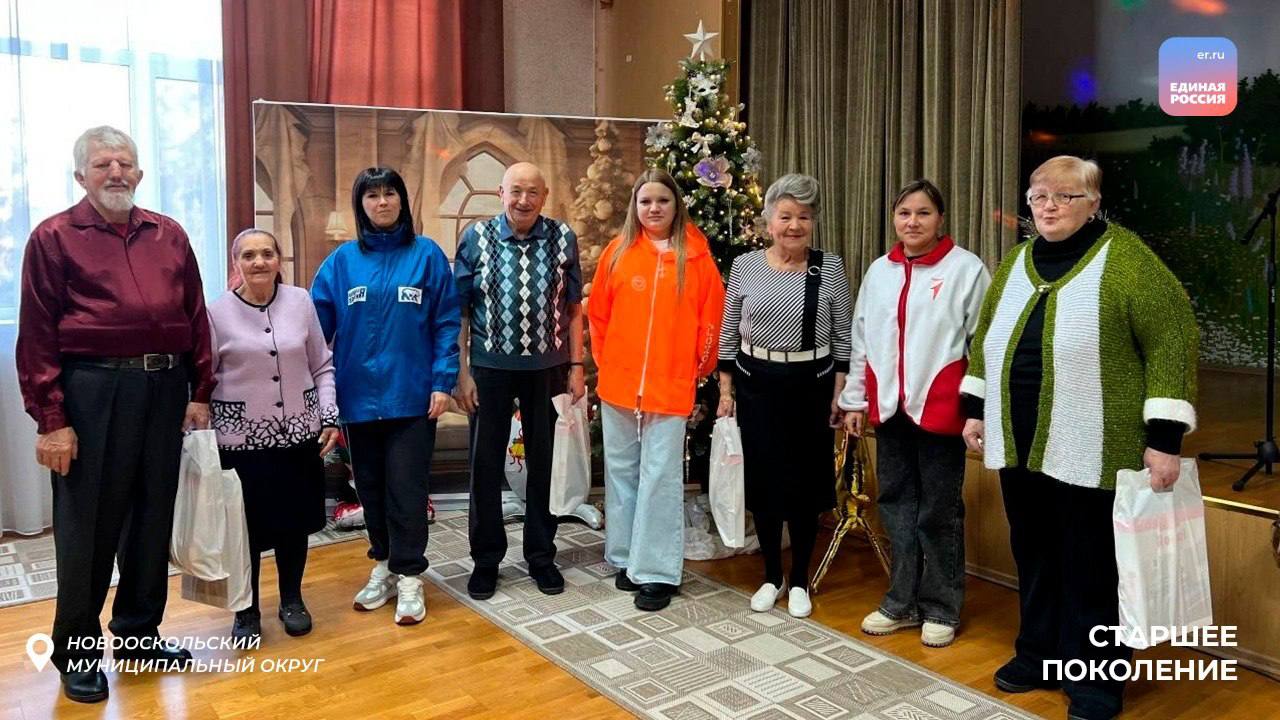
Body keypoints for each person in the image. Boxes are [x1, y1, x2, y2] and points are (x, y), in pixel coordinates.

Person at [961, 156, 1197, 720]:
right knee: (1034, 551)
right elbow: (987, 336)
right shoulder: (1017, 261)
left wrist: (1165, 437)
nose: (1048, 207)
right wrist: (975, 408)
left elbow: (1172, 339)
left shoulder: (1128, 261)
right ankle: (1039, 653)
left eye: (1063, 196)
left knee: (1092, 563)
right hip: (1019, 441)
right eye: (1038, 196)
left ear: (1093, 203)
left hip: (1094, 443)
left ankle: (1095, 677)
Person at [15, 125, 213, 703]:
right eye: (103, 164)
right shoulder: (53, 237)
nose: (116, 172)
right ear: (81, 175)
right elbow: (36, 334)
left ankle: (138, 635)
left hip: (165, 389)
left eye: (125, 163)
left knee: (152, 517)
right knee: (89, 528)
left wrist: (201, 389)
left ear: (140, 173)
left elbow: (195, 315)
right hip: (92, 393)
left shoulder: (169, 235)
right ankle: (77, 652)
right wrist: (52, 419)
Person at [838, 179, 990, 646]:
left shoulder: (966, 269)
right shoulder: (879, 271)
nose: (913, 222)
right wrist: (855, 400)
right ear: (894, 218)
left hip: (941, 410)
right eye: (904, 213)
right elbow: (862, 339)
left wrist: (977, 408)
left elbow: (983, 344)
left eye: (923, 213)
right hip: (890, 410)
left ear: (940, 218)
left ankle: (942, 606)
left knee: (938, 511)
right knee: (896, 506)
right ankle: (901, 601)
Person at [311, 167, 461, 626]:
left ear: (402, 200)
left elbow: (446, 323)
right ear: (361, 205)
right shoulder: (341, 263)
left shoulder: (426, 255)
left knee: (407, 489)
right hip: (358, 400)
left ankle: (410, 575)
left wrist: (442, 382)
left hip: (412, 398)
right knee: (371, 489)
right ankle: (384, 564)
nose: (382, 202)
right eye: (372, 195)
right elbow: (314, 332)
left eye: (390, 193)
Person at [588, 168, 725, 611]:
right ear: (635, 206)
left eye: (662, 201)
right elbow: (599, 316)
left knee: (660, 476)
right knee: (621, 471)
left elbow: (712, 321)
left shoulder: (697, 259)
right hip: (619, 384)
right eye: (645, 201)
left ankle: (657, 572)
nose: (653, 209)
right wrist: (609, 363)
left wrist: (695, 368)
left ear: (675, 205)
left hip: (670, 384)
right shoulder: (618, 252)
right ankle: (626, 556)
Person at [717, 173, 851, 619]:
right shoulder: (745, 266)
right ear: (769, 221)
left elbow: (844, 337)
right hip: (757, 384)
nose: (794, 226)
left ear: (813, 222)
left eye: (804, 217)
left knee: (805, 487)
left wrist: (840, 392)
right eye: (786, 216)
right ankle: (771, 575)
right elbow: (729, 332)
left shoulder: (829, 267)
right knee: (765, 484)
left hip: (812, 385)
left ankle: (799, 581)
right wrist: (726, 390)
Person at [452, 162, 585, 600]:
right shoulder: (476, 237)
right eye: (515, 191)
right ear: (501, 193)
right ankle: (486, 560)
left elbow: (573, 308)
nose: (523, 200)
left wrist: (577, 365)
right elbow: (461, 309)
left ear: (544, 196)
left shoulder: (563, 237)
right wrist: (462, 372)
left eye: (532, 192)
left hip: (548, 369)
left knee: (545, 464)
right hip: (489, 369)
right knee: (485, 465)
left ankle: (541, 556)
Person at [208, 229, 341, 641]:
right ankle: (246, 610)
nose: (259, 262)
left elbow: (322, 366)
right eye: (249, 255)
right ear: (236, 263)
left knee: (293, 525)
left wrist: (329, 416)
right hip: (240, 443)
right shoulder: (216, 312)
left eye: (267, 253)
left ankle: (292, 599)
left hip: (299, 437)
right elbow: (204, 377)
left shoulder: (300, 302)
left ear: (279, 259)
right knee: (244, 529)